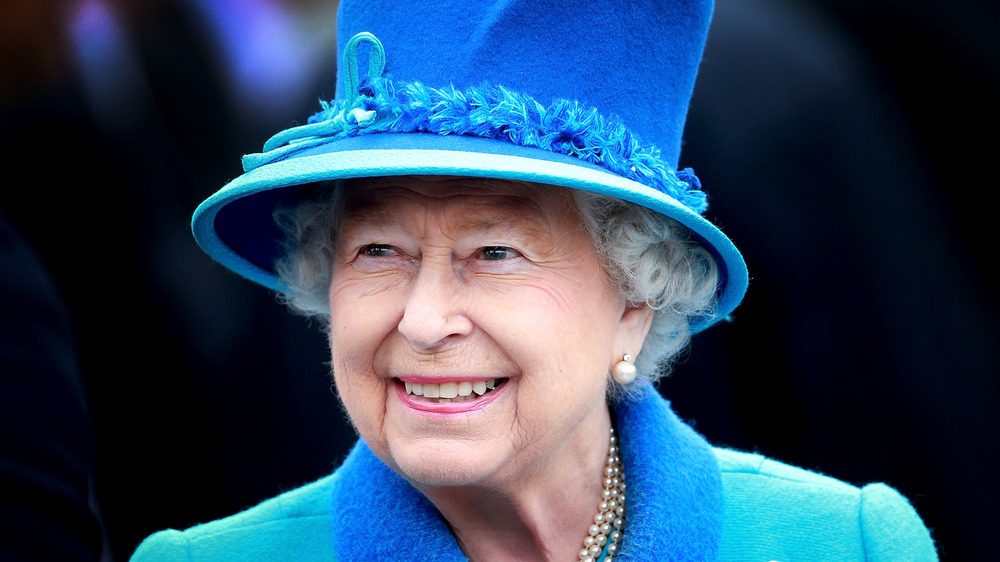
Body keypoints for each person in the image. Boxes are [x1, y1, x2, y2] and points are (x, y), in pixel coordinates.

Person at [130, 0, 937, 559]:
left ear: (636, 297)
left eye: (495, 254)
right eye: (378, 251)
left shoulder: (845, 545)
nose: (423, 319)